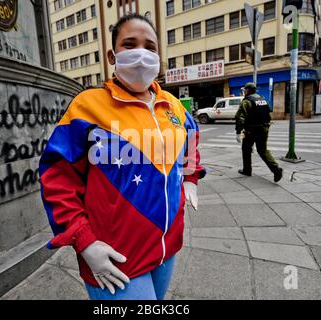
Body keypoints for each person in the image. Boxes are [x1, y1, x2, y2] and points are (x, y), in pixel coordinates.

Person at [39, 14, 206, 300]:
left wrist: (190, 177)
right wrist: (84, 241)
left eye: (150, 47)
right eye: (129, 45)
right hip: (115, 257)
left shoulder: (173, 106)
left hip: (167, 248)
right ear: (112, 54)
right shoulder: (87, 106)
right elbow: (56, 177)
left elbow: (191, 138)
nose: (141, 53)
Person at [235, 83, 283, 182]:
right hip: (264, 129)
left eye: (245, 90)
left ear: (247, 90)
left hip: (251, 130)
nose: (244, 92)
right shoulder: (263, 99)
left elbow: (240, 118)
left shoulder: (246, 101)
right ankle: (276, 169)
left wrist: (238, 132)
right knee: (262, 150)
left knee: (246, 149)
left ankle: (247, 170)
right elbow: (268, 114)